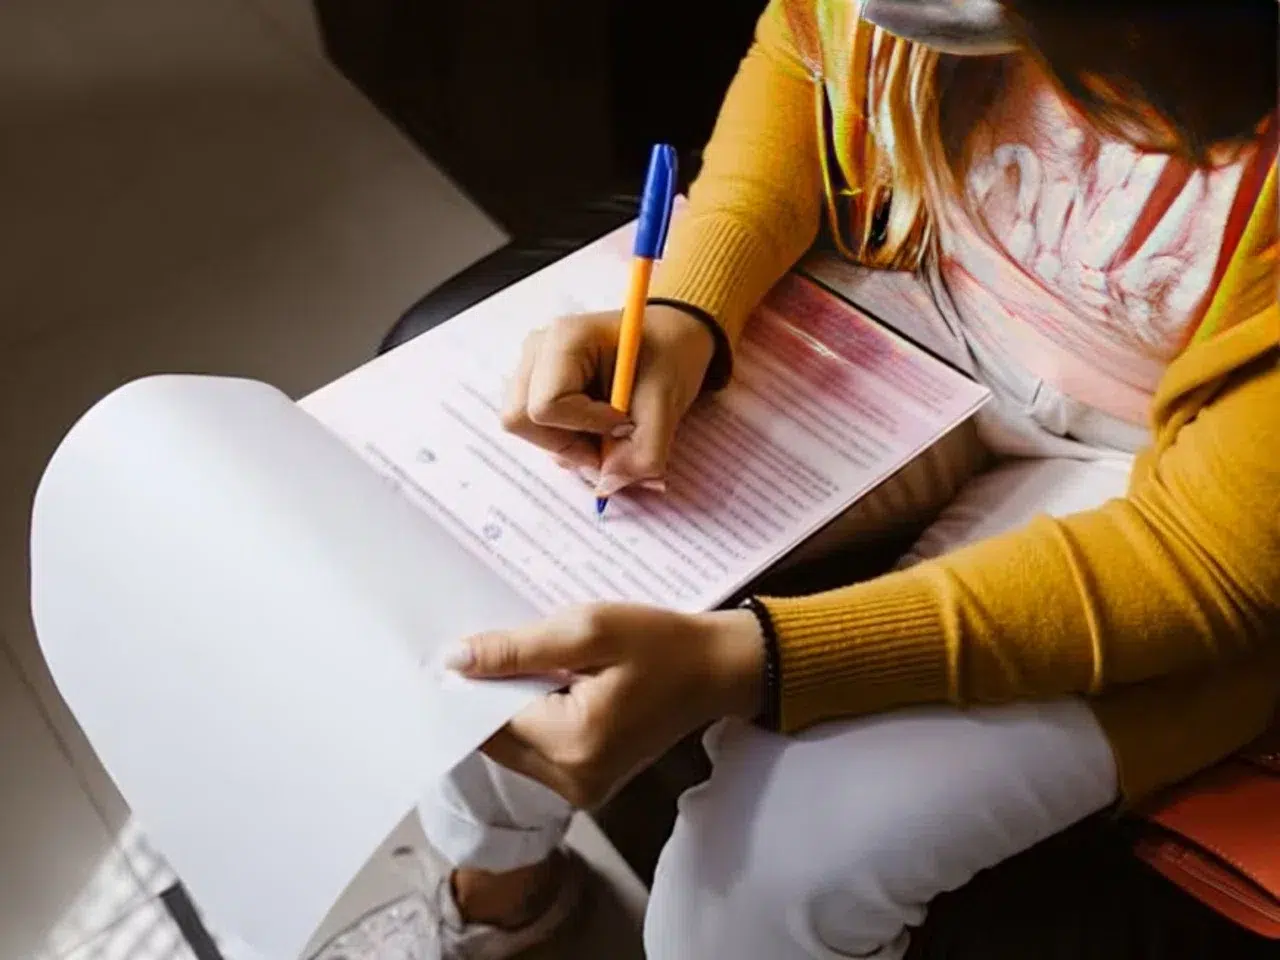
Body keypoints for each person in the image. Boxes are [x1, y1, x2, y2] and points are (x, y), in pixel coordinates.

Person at [321, 1, 1280, 957]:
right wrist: (690, 304)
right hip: (911, 276)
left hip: (1172, 474)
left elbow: (1213, 558)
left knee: (777, 868)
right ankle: (497, 897)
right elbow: (803, 52)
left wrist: (756, 662)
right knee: (500, 560)